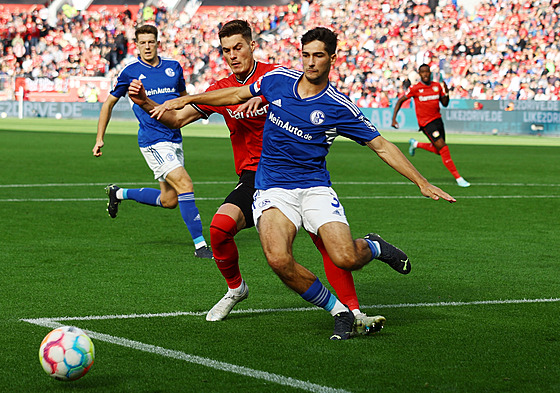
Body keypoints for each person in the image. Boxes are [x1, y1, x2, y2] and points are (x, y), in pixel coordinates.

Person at [130, 27, 456, 340]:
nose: (311, 62)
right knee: (277, 258)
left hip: (315, 189)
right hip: (271, 187)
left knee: (344, 257)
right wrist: (183, 99)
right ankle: (340, 311)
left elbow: (381, 145)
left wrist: (421, 182)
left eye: (318, 55)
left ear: (332, 58)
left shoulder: (338, 106)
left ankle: (373, 246)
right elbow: (234, 93)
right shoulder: (276, 82)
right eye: (306, 55)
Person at [92, 24, 212, 259]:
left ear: (158, 43)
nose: (147, 46)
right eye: (142, 42)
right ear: (136, 45)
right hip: (153, 141)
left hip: (174, 138)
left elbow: (183, 99)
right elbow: (108, 104)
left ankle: (118, 194)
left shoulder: (173, 67)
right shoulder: (130, 72)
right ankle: (201, 246)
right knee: (186, 184)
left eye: (151, 41)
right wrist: (99, 138)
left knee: (169, 200)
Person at [391, 64, 470, 187]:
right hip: (426, 123)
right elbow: (400, 101)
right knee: (443, 147)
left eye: (427, 72)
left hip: (438, 120)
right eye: (423, 72)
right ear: (419, 74)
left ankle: (416, 144)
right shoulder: (415, 88)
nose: (425, 74)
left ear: (430, 73)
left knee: (439, 151)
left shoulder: (436, 86)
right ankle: (458, 178)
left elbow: (444, 104)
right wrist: (394, 119)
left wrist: (447, 93)